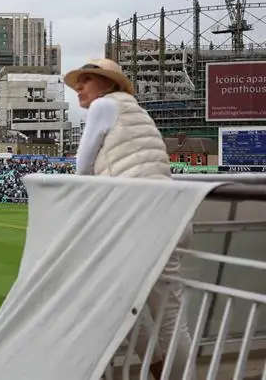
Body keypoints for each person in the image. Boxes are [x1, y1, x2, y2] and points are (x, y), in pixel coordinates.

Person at [65, 58, 192, 380]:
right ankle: (164, 372)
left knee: (142, 310)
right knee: (150, 310)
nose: (79, 86)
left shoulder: (103, 106)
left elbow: (82, 168)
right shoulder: (135, 109)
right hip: (165, 212)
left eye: (87, 79)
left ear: (108, 83)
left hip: (141, 216)